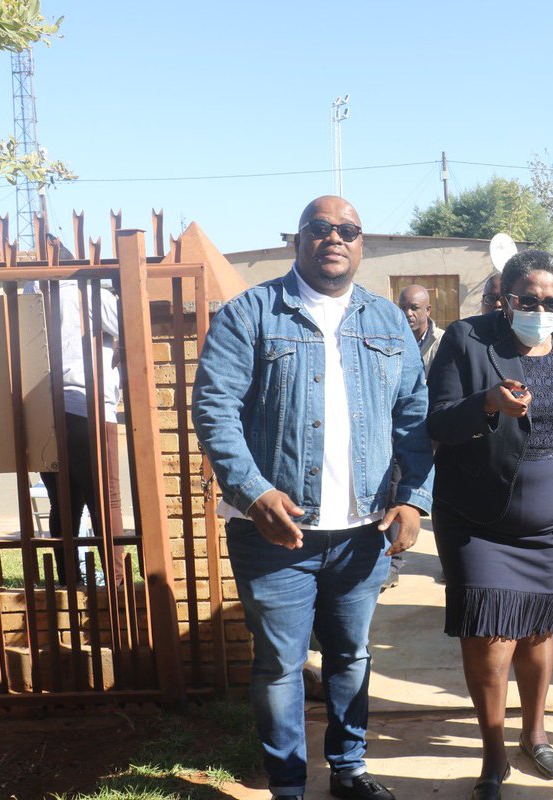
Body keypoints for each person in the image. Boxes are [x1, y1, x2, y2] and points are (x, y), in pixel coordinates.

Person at [192, 196, 434, 800]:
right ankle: (288, 786)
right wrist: (252, 493)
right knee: (279, 665)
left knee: (351, 655)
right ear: (297, 239)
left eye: (348, 230)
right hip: (276, 535)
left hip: (361, 535)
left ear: (362, 244)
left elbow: (415, 418)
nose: (336, 238)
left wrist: (413, 499)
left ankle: (349, 769)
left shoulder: (387, 321)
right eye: (321, 228)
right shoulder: (249, 313)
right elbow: (214, 410)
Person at [426, 250, 553, 800]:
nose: (541, 310)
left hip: (550, 525)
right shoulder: (468, 339)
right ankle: (493, 755)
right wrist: (485, 403)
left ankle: (535, 734)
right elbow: (435, 421)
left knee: (537, 631)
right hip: (478, 518)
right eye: (529, 300)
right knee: (490, 635)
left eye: (552, 302)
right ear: (506, 298)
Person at [38, 278, 126, 587]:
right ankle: (117, 587)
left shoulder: (31, 293)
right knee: (106, 500)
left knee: (62, 503)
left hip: (42, 410)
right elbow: (136, 324)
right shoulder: (88, 294)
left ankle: (67, 584)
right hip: (88, 406)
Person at [397, 283, 443, 371]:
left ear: (428, 310)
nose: (408, 313)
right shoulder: (393, 340)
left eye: (414, 308)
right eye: (403, 308)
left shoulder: (442, 340)